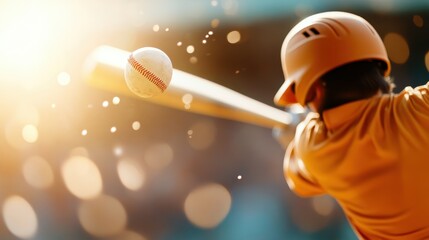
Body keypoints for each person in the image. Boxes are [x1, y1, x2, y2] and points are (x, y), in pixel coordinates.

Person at [274, 11, 429, 239]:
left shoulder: (314, 149)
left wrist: (298, 132)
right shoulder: (421, 108)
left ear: (313, 91)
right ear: (378, 65)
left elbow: (300, 179)